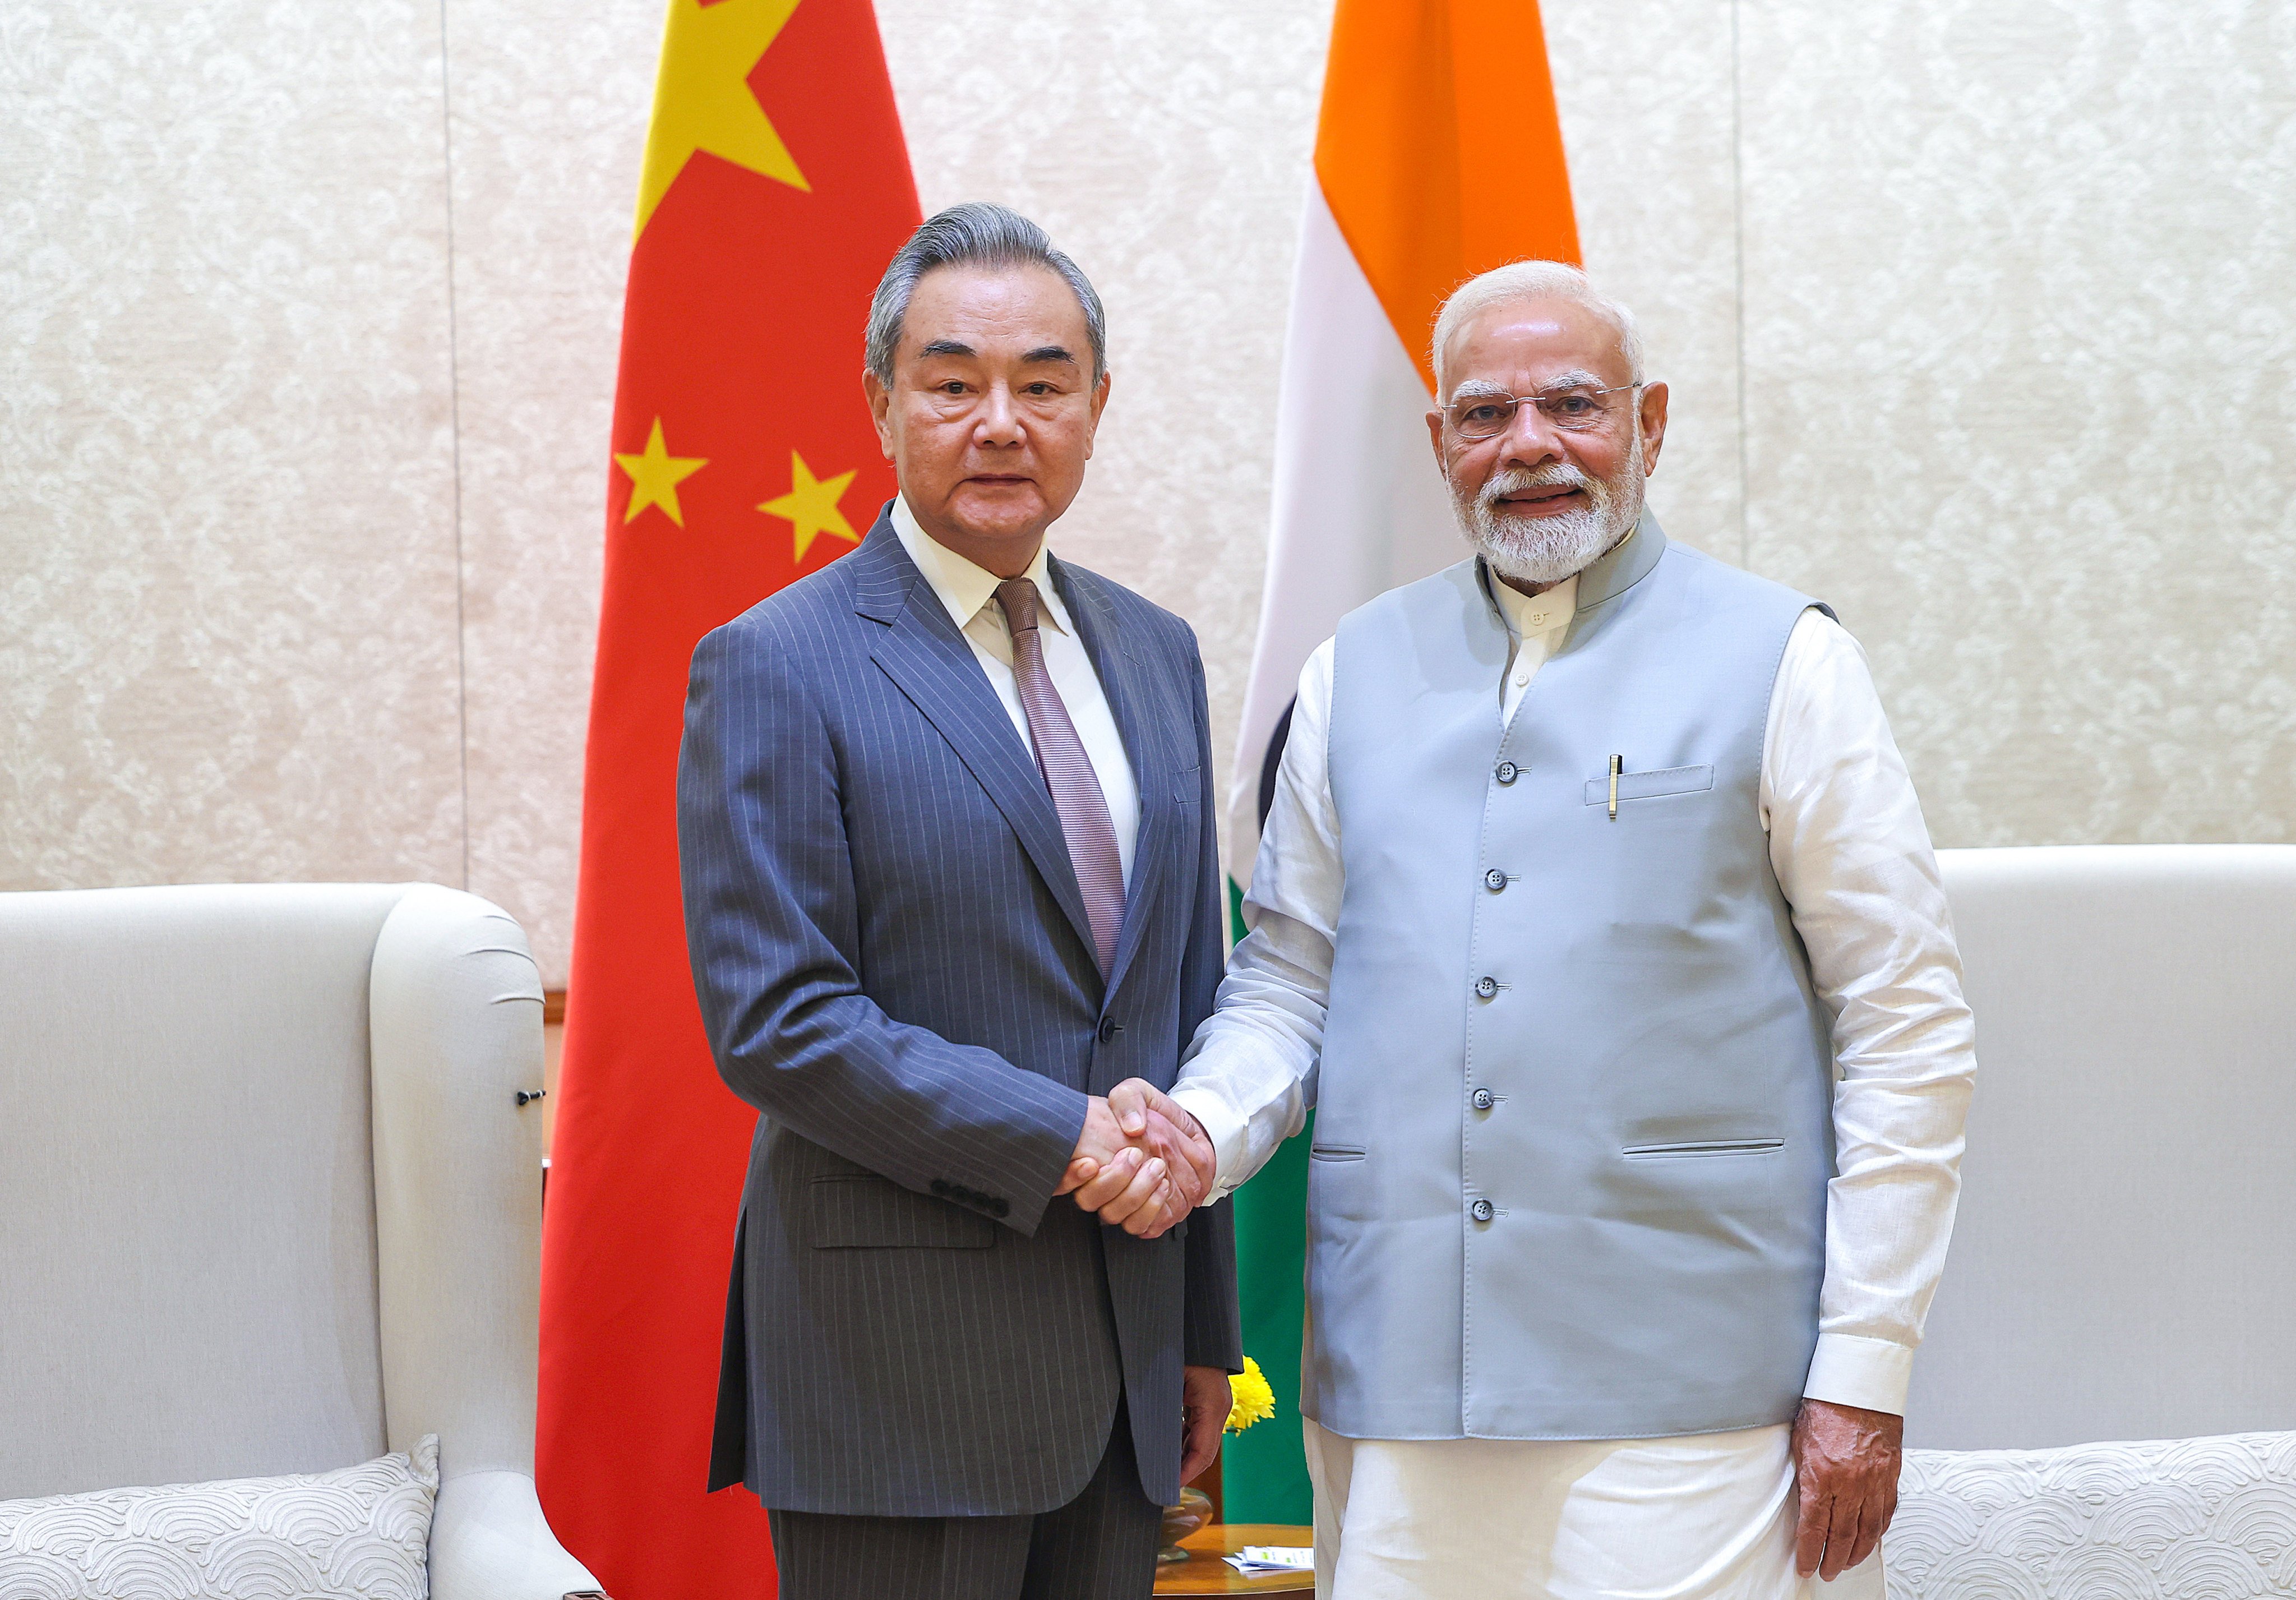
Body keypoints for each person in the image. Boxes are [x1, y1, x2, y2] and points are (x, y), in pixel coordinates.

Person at [1147, 260, 1979, 1598]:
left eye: (1572, 406)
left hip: (1701, 1399)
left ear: (1648, 424)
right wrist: (1197, 1128)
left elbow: (1905, 1017)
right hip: (1398, 1382)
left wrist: (1863, 1365)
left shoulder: (1786, 659)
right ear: (1437, 445)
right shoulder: (1349, 669)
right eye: (1483, 414)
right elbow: (1288, 983)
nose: (1527, 446)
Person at [677, 202, 1239, 1600]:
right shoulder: (776, 662)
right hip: (897, 1376)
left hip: (1122, 1371)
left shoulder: (1156, 651)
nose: (1000, 421)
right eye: (951, 382)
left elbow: (1180, 1001)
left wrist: (1201, 1334)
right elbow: (780, 1019)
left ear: (1096, 408)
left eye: (1042, 384)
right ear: (881, 404)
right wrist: (1062, 1136)